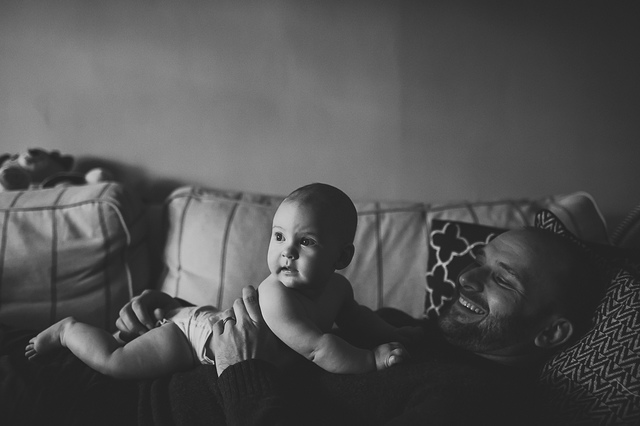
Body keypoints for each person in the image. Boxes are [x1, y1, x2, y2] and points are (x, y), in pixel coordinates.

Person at [2, 218, 601, 425]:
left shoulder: (468, 399)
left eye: (501, 279)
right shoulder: (399, 329)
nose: (467, 278)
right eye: (480, 259)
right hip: (122, 367)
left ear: (550, 333)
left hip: (108, 412)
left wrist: (241, 370)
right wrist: (174, 320)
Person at [25, 183, 412, 379]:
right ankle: (68, 331)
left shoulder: (338, 289)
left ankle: (163, 310)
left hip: (213, 320)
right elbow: (317, 349)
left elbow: (359, 319)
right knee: (116, 362)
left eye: (305, 242)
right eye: (278, 237)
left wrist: (399, 332)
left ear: (341, 258)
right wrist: (370, 359)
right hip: (194, 337)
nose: (286, 252)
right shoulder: (276, 295)